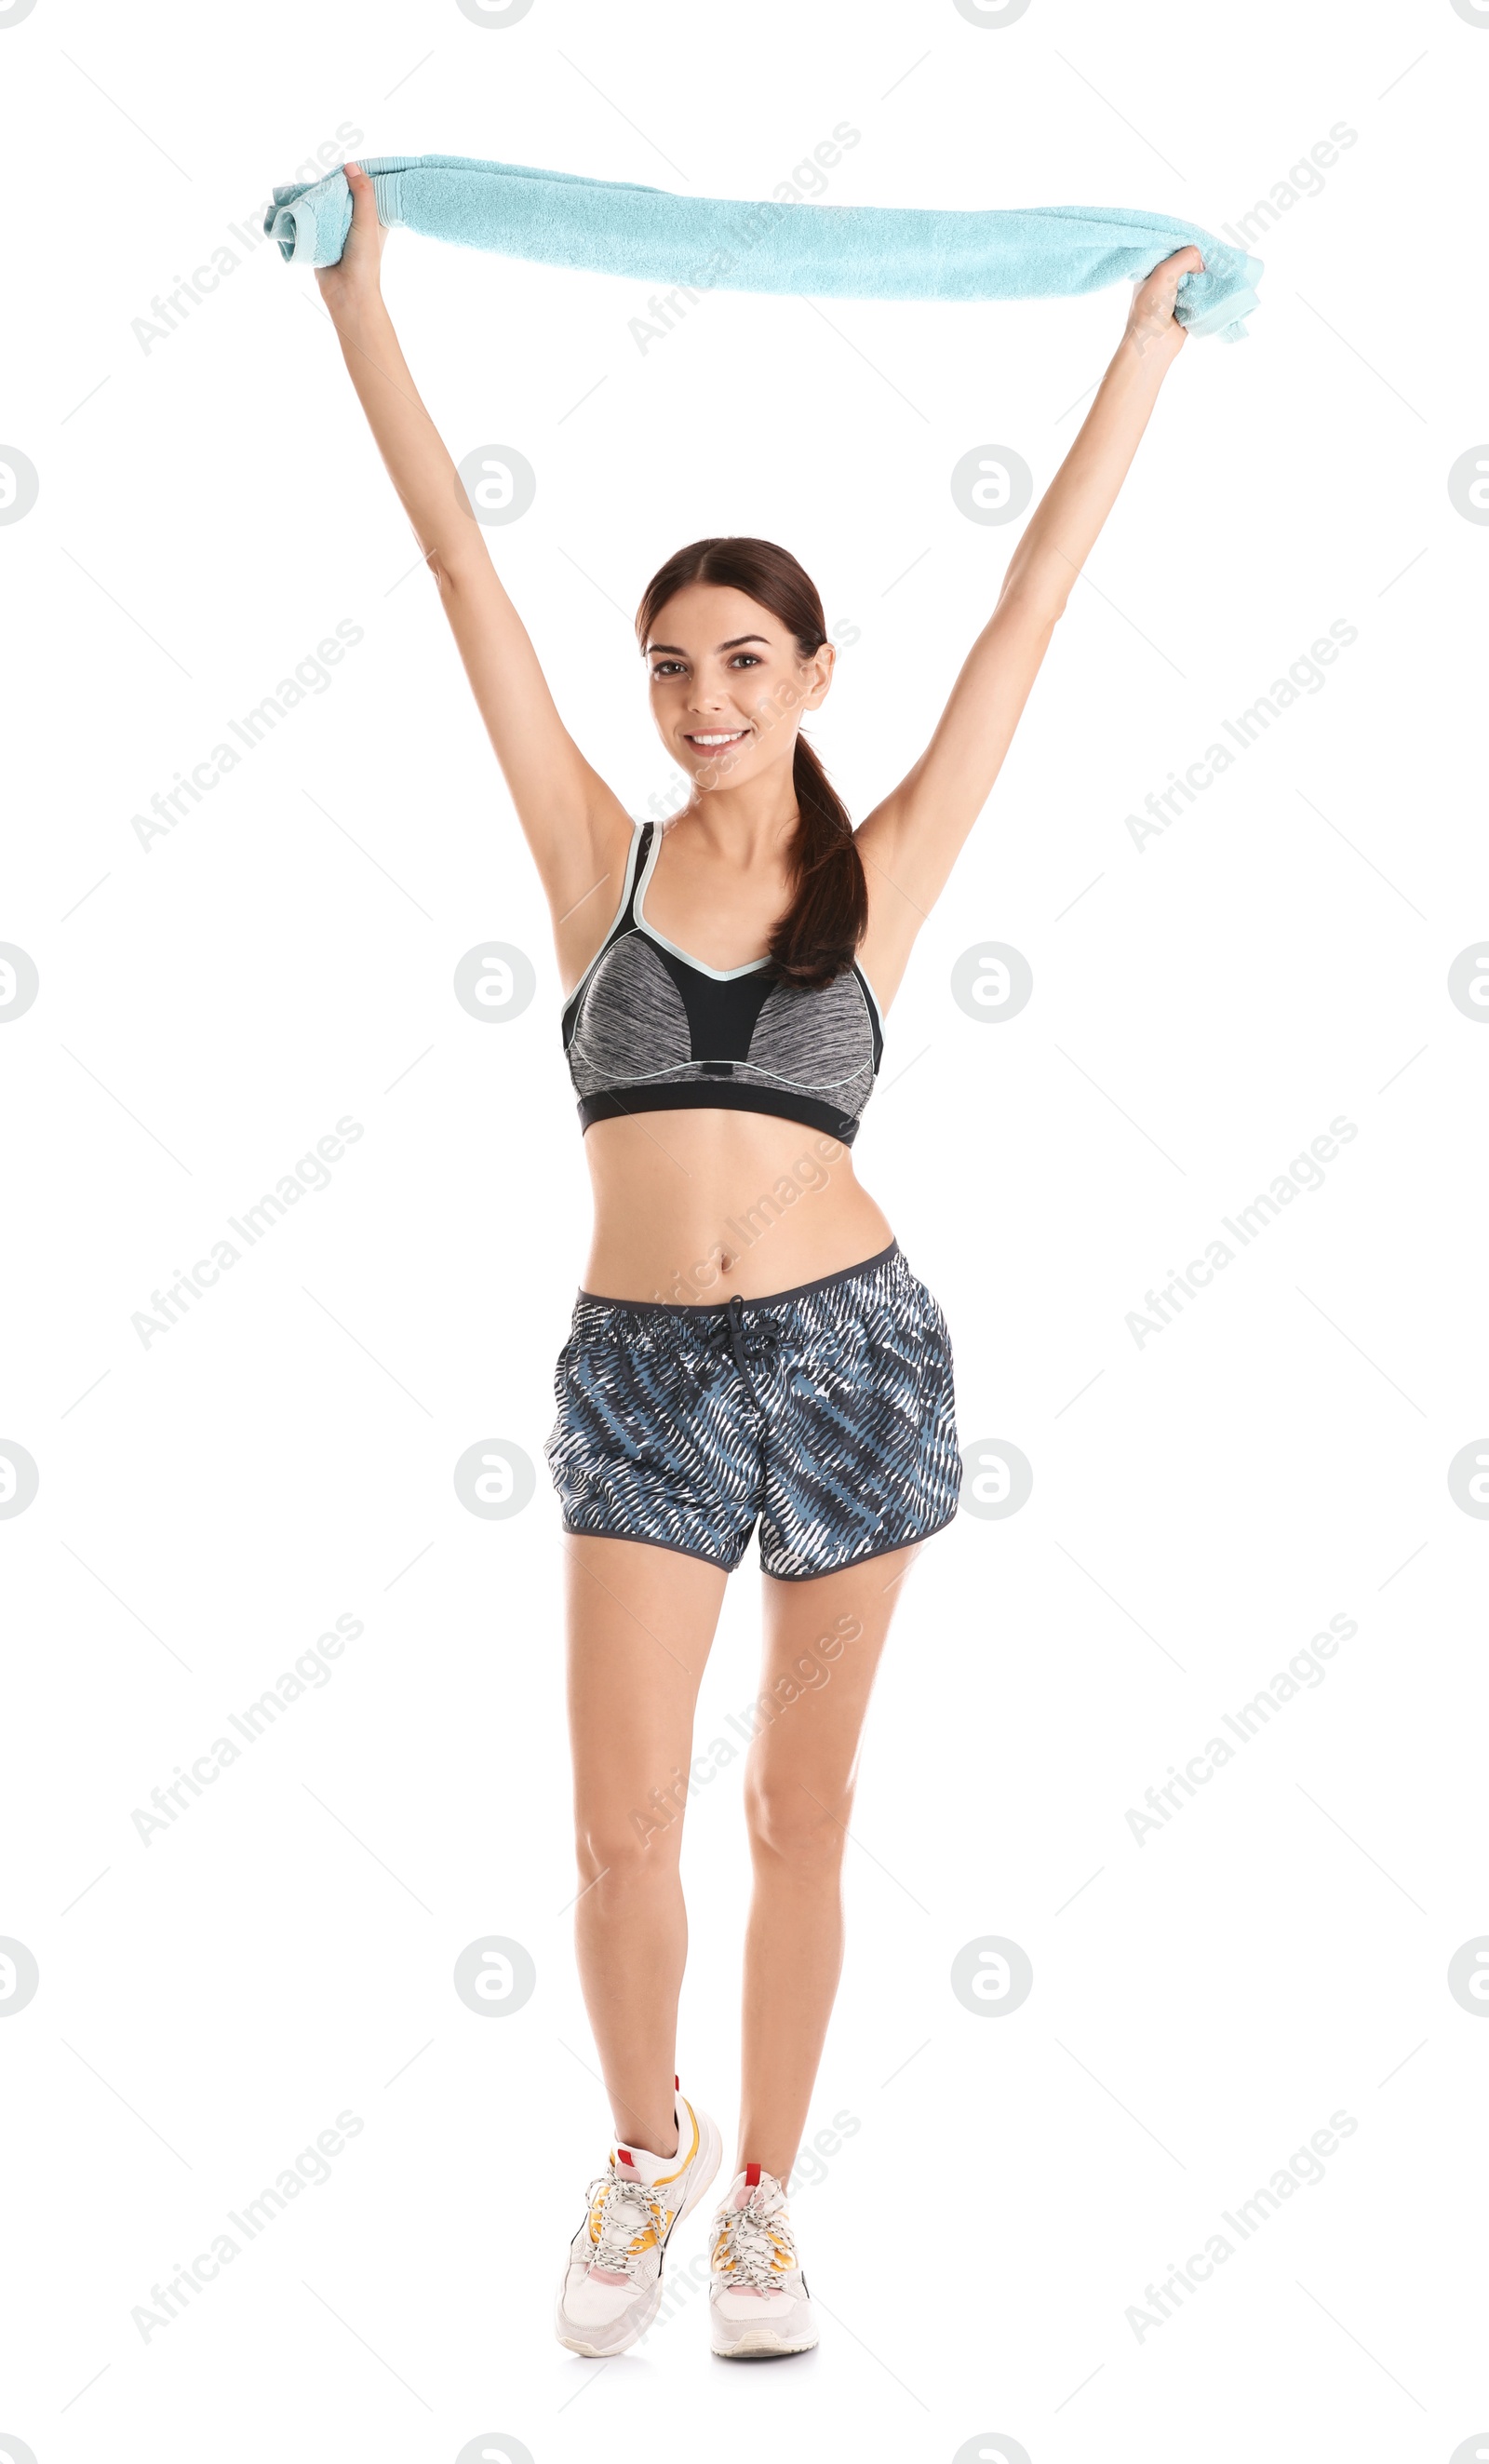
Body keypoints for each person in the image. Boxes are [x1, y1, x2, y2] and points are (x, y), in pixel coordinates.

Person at [316, 160, 1200, 2363]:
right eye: (670, 666)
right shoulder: (582, 853)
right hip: (635, 1374)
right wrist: (361, 295)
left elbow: (1036, 603)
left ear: (809, 671)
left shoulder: (881, 870)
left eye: (742, 660)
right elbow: (454, 573)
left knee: (798, 1810)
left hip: (855, 1359)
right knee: (621, 1830)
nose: (701, 697)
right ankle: (646, 2148)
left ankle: (769, 2209)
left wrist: (1143, 346)